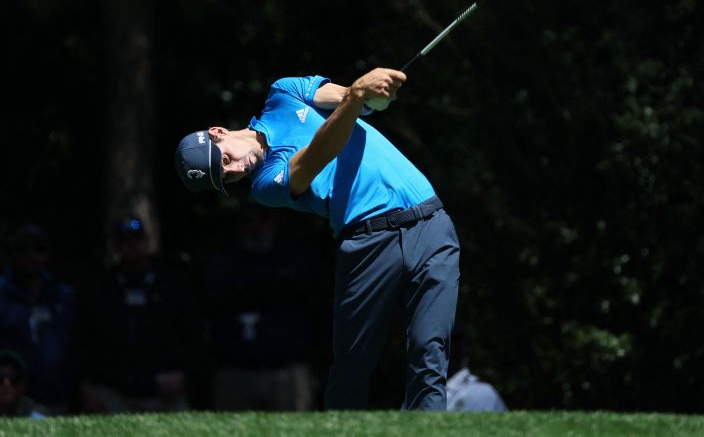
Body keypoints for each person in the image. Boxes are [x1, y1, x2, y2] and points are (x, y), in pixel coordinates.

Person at [175, 68, 460, 410]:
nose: (234, 170)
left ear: (219, 133)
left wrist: (376, 93)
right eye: (226, 177)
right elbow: (319, 153)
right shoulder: (266, 186)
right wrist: (358, 95)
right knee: (352, 368)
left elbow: (351, 97)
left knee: (430, 354)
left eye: (224, 160)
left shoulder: (284, 93)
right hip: (369, 243)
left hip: (431, 221)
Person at [79, 216, 201, 414]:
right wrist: (87, 385)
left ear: (146, 242)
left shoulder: (171, 284)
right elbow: (85, 339)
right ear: (117, 246)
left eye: (137, 240)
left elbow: (192, 334)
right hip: (113, 392)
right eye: (125, 241)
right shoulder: (101, 288)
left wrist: (184, 373)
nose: (132, 246)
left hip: (165, 392)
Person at [204, 205, 321, 411]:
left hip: (285, 368)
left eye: (263, 219)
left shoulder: (294, 259)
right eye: (248, 221)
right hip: (236, 368)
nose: (256, 227)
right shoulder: (223, 261)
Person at [0, 222, 77, 415]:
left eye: (39, 250)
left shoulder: (63, 295)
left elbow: (76, 345)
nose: (32, 257)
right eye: (24, 250)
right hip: (12, 401)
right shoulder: (2, 295)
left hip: (58, 397)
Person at [0, 349, 47, 419]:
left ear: (23, 383)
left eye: (13, 378)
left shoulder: (39, 420)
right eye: (0, 377)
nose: (6, 383)